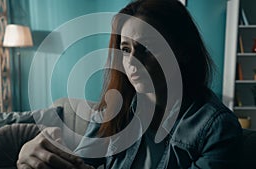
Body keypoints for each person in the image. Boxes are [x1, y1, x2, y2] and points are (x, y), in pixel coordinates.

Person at [17, 0, 242, 168]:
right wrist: (36, 155)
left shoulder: (216, 129)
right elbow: (80, 163)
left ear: (181, 51)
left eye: (147, 47)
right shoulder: (114, 110)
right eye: (126, 49)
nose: (133, 62)